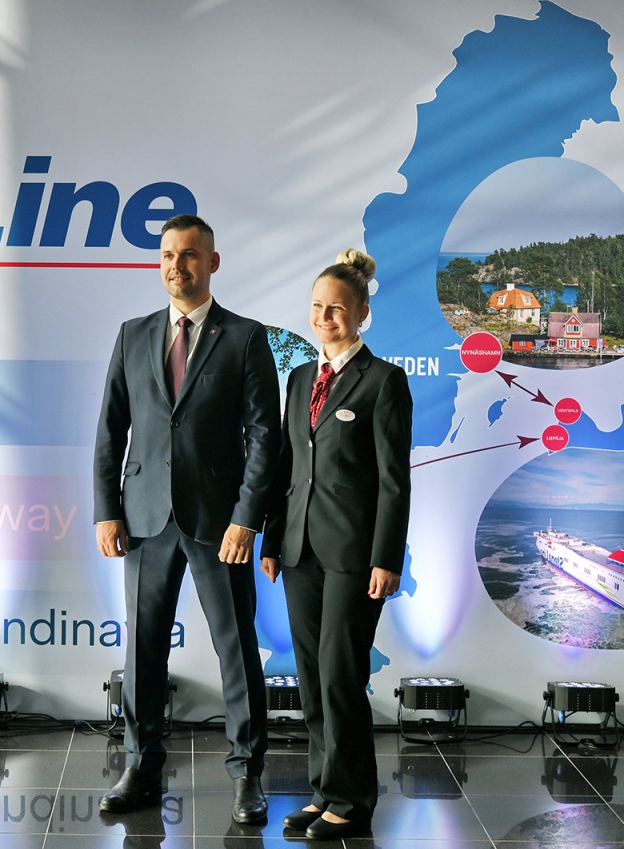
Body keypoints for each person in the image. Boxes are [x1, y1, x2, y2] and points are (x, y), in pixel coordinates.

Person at [93, 213, 280, 824]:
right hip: (144, 520)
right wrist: (106, 511)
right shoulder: (132, 335)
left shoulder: (245, 337)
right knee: (143, 651)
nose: (178, 265)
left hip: (219, 524)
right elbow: (110, 430)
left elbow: (265, 438)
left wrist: (246, 518)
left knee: (237, 650)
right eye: (169, 255)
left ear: (213, 263)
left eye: (191, 254)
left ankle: (247, 773)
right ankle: (140, 765)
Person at [260, 249, 412, 841]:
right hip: (299, 549)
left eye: (337, 309)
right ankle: (324, 791)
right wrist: (273, 539)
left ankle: (352, 799)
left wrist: (386, 558)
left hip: (354, 556)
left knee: (340, 675)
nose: (324, 318)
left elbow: (394, 481)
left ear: (362, 313)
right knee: (309, 674)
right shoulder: (301, 378)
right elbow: (287, 466)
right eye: (317, 307)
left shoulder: (384, 381)